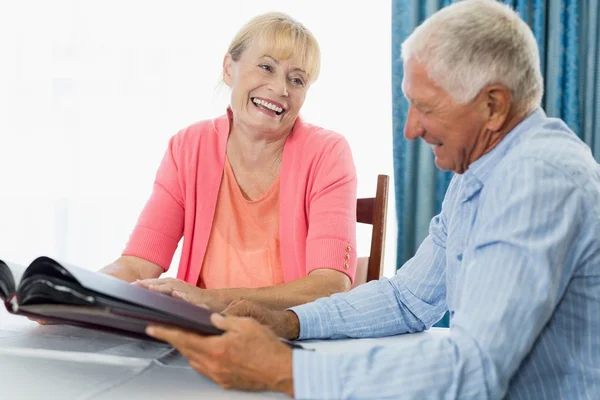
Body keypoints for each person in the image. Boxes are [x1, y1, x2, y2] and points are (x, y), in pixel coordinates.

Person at [144, 1, 600, 399]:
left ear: (493, 106)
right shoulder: (479, 173)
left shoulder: (538, 179)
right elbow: (407, 300)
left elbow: (474, 369)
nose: (411, 129)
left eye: (426, 107)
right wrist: (287, 322)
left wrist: (286, 369)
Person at [98, 12, 358, 311]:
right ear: (228, 68)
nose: (280, 89)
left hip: (282, 334)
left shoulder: (328, 152)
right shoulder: (188, 146)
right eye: (266, 67)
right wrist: (71, 292)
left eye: (296, 79)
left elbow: (330, 285)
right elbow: (138, 264)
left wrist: (211, 299)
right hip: (198, 335)